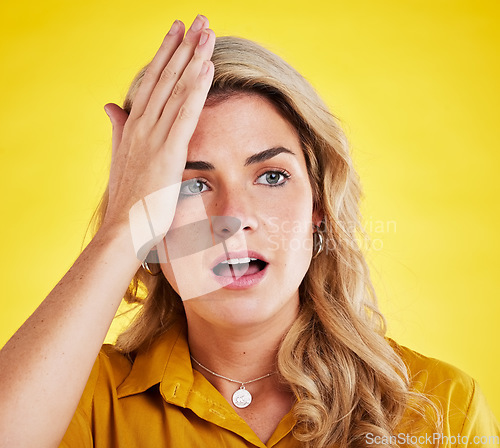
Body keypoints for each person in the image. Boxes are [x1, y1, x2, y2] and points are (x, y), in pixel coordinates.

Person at [0, 15, 498, 448]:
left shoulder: (441, 406)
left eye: (272, 176)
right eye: (191, 184)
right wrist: (121, 229)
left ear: (319, 207)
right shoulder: (77, 400)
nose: (234, 216)